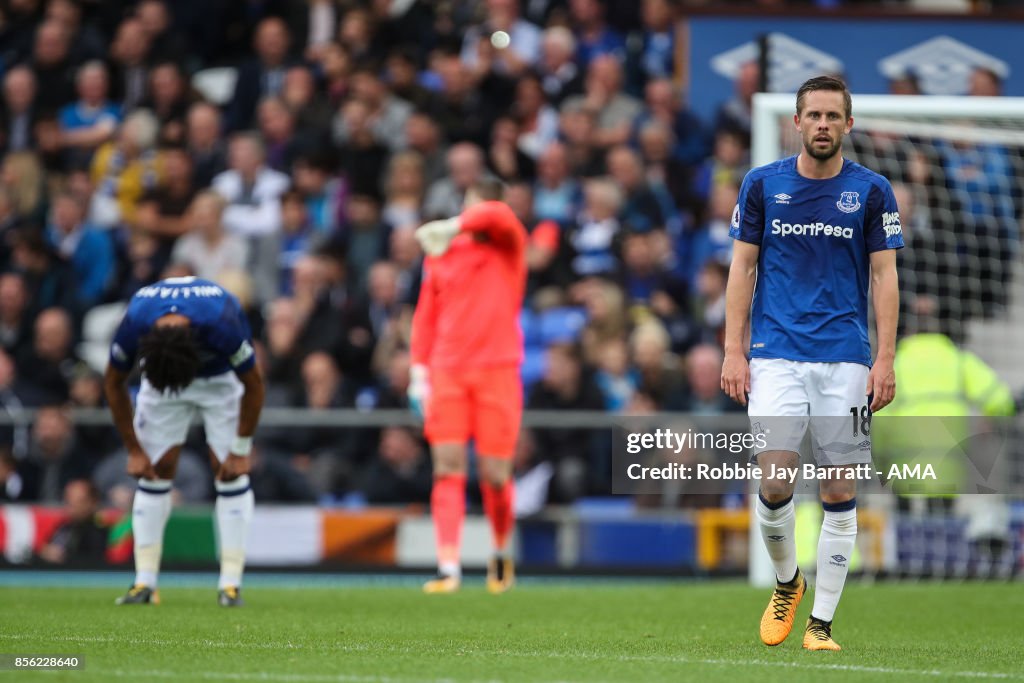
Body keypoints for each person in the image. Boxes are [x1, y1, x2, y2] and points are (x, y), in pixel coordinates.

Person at [720, 76, 904, 651]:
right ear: (796, 123)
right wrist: (733, 348)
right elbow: (742, 270)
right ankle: (787, 583)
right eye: (813, 115)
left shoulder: (872, 192)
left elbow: (884, 276)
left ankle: (821, 625)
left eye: (833, 116)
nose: (822, 125)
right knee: (775, 481)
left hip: (846, 359)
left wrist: (885, 359)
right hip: (774, 355)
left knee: (837, 489)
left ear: (849, 125)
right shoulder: (761, 185)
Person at [104, 276, 265, 607]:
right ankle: (143, 583)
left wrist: (241, 448)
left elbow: (254, 382)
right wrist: (133, 449)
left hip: (220, 380)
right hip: (160, 379)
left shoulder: (221, 323)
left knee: (230, 471)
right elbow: (113, 381)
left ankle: (230, 585)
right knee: (153, 470)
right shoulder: (136, 320)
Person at [409, 179, 527, 594]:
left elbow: (497, 217)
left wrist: (455, 223)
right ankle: (448, 568)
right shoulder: (442, 253)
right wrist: (418, 372)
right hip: (447, 371)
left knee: (496, 475)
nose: (473, 214)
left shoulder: (508, 242)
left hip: (497, 369)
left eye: (476, 207)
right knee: (447, 468)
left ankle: (499, 553)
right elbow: (426, 314)